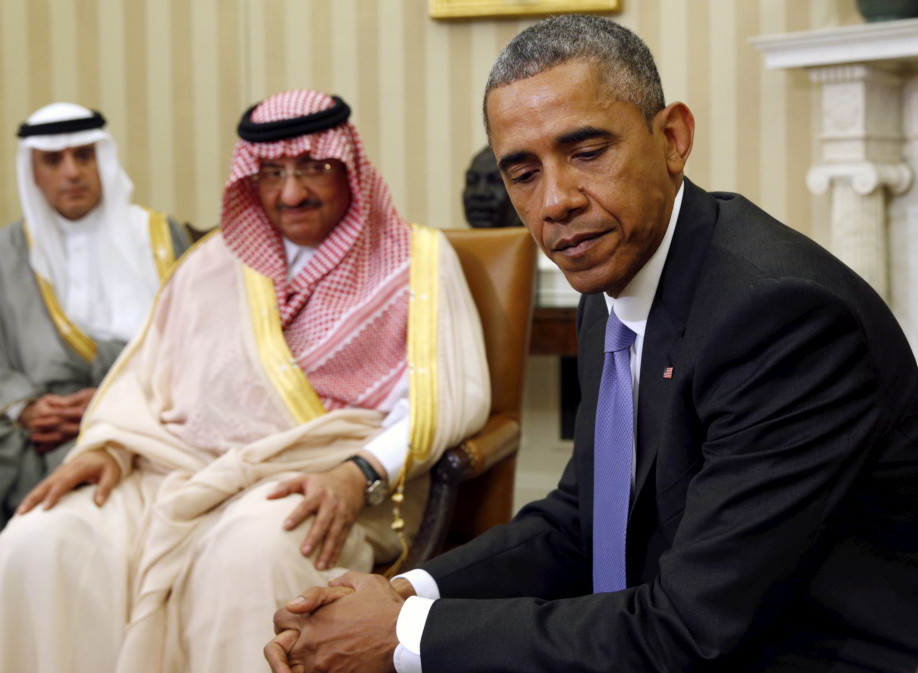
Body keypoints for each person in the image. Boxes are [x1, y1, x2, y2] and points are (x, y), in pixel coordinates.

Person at [266, 15, 918, 673]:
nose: (556, 201)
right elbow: (583, 517)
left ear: (673, 138)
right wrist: (406, 590)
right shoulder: (613, 274)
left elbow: (687, 628)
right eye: (522, 172)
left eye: (586, 151)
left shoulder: (779, 316)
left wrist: (406, 632)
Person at [0, 89, 489, 673]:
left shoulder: (415, 258)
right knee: (35, 544)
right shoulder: (213, 262)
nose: (291, 193)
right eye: (271, 173)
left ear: (349, 166)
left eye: (313, 168)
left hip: (324, 471)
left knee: (250, 553)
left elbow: (444, 393)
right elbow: (146, 374)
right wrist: (110, 444)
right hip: (175, 466)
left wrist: (358, 472)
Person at [0, 102, 189, 673]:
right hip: (23, 419)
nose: (71, 172)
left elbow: (184, 348)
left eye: (83, 155)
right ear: (32, 170)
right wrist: (27, 407)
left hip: (131, 413)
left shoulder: (160, 236)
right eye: (53, 160)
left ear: (104, 157)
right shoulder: (4, 251)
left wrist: (105, 405)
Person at [462, 146, 520, 228]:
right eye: (471, 180)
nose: (480, 193)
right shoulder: (441, 240)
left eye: (496, 181)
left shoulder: (541, 240)